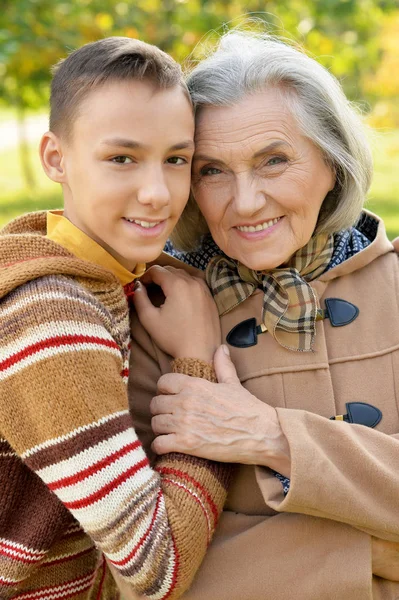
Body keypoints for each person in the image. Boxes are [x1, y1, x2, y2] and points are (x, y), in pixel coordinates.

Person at [129, 31, 399, 599]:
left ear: (333, 163)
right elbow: (142, 566)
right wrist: (373, 553)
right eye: (211, 170)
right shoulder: (156, 316)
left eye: (273, 160)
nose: (245, 201)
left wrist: (271, 437)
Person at [0, 37, 231, 599]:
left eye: (176, 159)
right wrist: (197, 363)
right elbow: (158, 570)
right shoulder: (51, 318)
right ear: (56, 158)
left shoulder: (96, 270)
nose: (157, 194)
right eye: (122, 158)